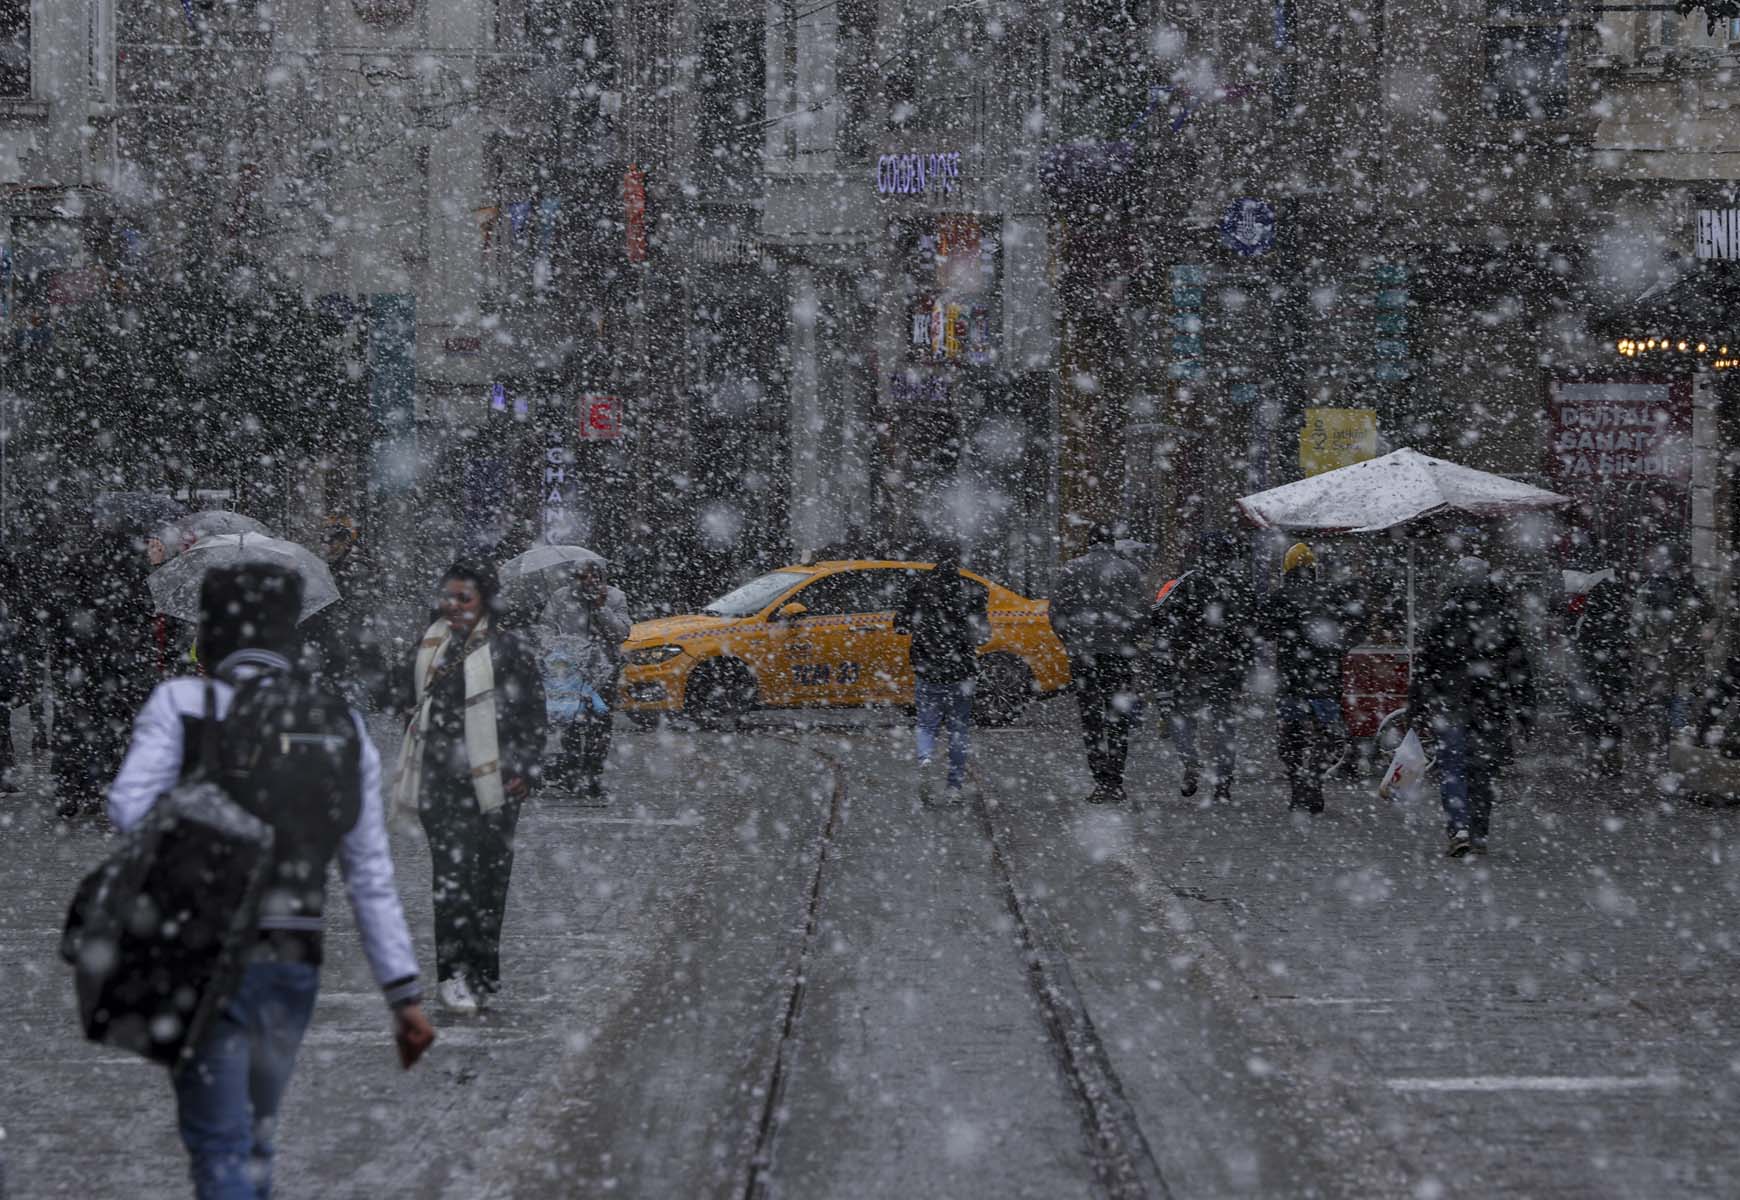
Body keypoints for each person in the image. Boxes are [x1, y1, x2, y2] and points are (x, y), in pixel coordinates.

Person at [107, 563, 434, 1199]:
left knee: (218, 1143)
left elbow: (127, 810)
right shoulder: (339, 722)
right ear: (292, 631)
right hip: (292, 954)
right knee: (257, 1133)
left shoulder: (183, 704)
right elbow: (368, 872)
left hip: (199, 950)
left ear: (211, 631)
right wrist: (403, 993)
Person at [395, 560, 546, 1014]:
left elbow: (531, 718)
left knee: (489, 883)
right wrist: (409, 706)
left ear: (484, 601)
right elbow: (398, 694)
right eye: (449, 596)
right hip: (440, 783)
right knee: (451, 881)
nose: (454, 606)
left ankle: (483, 971)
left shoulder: (508, 649)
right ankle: (452, 973)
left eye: (465, 598)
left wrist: (524, 768)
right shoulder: (428, 645)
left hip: (495, 786)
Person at [1407, 555, 1537, 858]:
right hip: (1489, 709)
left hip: (1449, 706)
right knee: (1483, 772)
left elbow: (1425, 667)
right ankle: (1478, 831)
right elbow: (1518, 671)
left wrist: (1417, 706)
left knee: (1453, 768)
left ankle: (1459, 827)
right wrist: (1524, 711)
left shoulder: (1443, 616)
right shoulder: (1501, 617)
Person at [50, 532, 156, 818]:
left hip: (76, 665)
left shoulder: (73, 570)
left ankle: (69, 789)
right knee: (110, 729)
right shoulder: (134, 576)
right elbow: (142, 619)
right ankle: (102, 787)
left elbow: (56, 619)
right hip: (115, 667)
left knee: (72, 728)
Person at [1260, 542, 1365, 813]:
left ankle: (1297, 783)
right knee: (1327, 735)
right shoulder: (1332, 595)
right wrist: (1340, 647)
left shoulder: (1280, 597)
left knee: (1292, 736)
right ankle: (1315, 779)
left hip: (1292, 679)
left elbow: (1263, 631)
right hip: (1325, 678)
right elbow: (1359, 624)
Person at [1153, 531, 1258, 804]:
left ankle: (1191, 762)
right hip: (1225, 668)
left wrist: (1171, 656)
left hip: (1190, 667)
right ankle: (1223, 782)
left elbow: (1162, 618)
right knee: (1225, 727)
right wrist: (1242, 670)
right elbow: (1249, 633)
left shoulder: (1186, 583)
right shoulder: (1240, 586)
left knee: (1183, 719)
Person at [1049, 524, 1149, 804]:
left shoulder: (1071, 569)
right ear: (1112, 542)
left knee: (1091, 717)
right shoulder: (1128, 571)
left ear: (1089, 542)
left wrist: (1070, 640)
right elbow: (1142, 611)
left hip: (1084, 654)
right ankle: (1115, 778)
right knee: (1118, 717)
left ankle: (1100, 779)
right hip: (1119, 654)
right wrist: (1129, 639)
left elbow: (1056, 610)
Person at [894, 540, 989, 804]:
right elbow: (982, 635)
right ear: (960, 560)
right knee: (959, 729)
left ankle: (925, 759)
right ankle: (954, 786)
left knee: (926, 723)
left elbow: (900, 625)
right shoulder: (972, 590)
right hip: (961, 671)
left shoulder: (919, 588)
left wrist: (922, 628)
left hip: (928, 668)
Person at [539, 559, 630, 799]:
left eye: (594, 576)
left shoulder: (615, 597)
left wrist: (601, 608)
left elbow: (621, 633)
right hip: (569, 672)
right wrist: (555, 648)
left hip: (604, 672)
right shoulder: (561, 598)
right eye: (583, 576)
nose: (589, 581)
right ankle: (571, 774)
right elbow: (545, 627)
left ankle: (592, 777)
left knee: (600, 726)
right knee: (571, 723)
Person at [1631, 545, 1712, 761]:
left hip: (1681, 655)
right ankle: (1667, 742)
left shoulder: (1693, 590)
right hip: (1663, 656)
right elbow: (1636, 624)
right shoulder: (1652, 590)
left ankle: (1673, 744)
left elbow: (1712, 617)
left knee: (1679, 700)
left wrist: (1705, 638)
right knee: (1666, 700)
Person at [304, 516, 388, 704]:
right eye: (325, 542)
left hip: (354, 633)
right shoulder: (331, 564)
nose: (328, 547)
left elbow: (358, 604)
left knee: (363, 667)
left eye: (333, 542)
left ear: (345, 542)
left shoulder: (355, 566)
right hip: (338, 636)